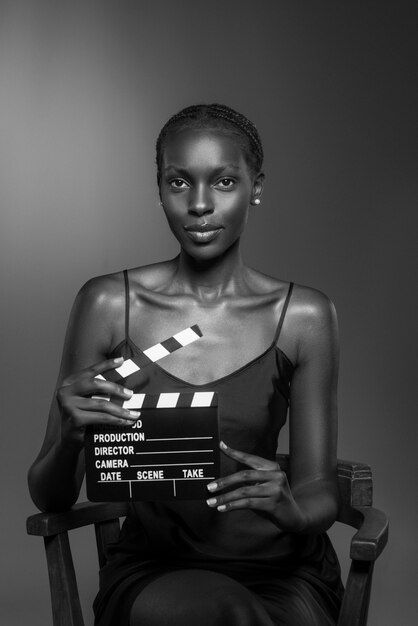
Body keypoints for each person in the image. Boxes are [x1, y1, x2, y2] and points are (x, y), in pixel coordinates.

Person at [28, 103, 344, 625]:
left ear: (255, 186)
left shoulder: (304, 316)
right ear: (159, 189)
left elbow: (319, 488)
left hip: (285, 572)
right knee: (232, 615)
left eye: (223, 182)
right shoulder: (109, 304)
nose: (200, 204)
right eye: (179, 182)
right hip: (159, 571)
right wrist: (68, 434)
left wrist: (291, 507)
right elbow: (50, 493)